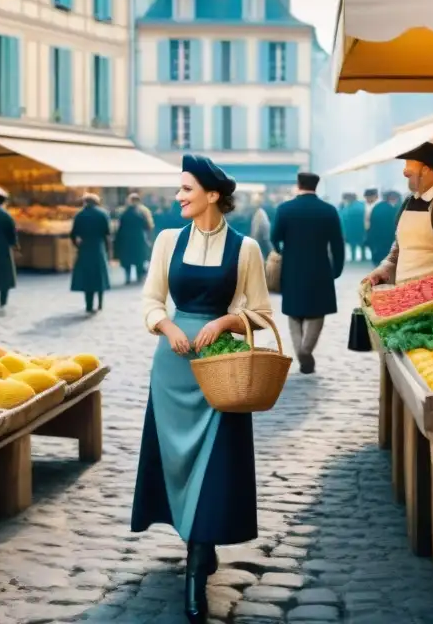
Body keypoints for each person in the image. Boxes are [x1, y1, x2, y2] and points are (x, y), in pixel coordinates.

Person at [131, 155, 271, 624]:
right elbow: (151, 301)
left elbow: (262, 312)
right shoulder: (168, 241)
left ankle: (196, 572)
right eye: (179, 189)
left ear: (213, 195)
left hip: (219, 368)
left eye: (186, 189)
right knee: (176, 462)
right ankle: (197, 544)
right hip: (171, 367)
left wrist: (228, 320)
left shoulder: (246, 247)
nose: (178, 196)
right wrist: (167, 327)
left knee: (213, 466)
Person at [364, 137, 433, 286]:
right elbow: (399, 246)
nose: (405, 171)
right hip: (402, 293)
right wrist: (385, 267)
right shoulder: (408, 201)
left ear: (426, 170)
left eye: (410, 166)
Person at [270, 172, 344, 374]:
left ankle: (301, 353)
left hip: (292, 267)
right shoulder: (328, 211)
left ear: (298, 184)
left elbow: (274, 237)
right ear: (316, 186)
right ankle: (306, 350)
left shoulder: (285, 209)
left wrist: (282, 251)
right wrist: (336, 269)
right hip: (320, 267)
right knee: (316, 312)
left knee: (294, 313)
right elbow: (338, 243)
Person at [70, 193, 112, 314]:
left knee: (87, 278)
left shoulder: (80, 215)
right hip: (99, 247)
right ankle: (100, 303)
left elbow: (73, 234)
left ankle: (88, 305)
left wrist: (77, 244)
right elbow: (107, 233)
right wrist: (108, 250)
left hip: (85, 248)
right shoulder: (102, 214)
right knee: (99, 277)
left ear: (85, 202)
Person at [116, 193, 153, 285]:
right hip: (139, 238)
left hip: (126, 239)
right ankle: (139, 277)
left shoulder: (123, 212)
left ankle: (128, 277)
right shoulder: (143, 211)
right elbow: (148, 226)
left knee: (127, 259)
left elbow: (120, 226)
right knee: (139, 258)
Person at [366, 189, 398, 265]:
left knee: (378, 258)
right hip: (388, 237)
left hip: (377, 236)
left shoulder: (376, 207)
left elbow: (372, 223)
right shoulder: (392, 209)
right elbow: (395, 224)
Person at [340, 193, 366, 262]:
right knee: (362, 245)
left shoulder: (347, 208)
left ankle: (353, 258)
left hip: (351, 230)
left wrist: (344, 232)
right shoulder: (362, 205)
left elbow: (343, 220)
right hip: (361, 229)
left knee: (353, 245)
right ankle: (363, 258)